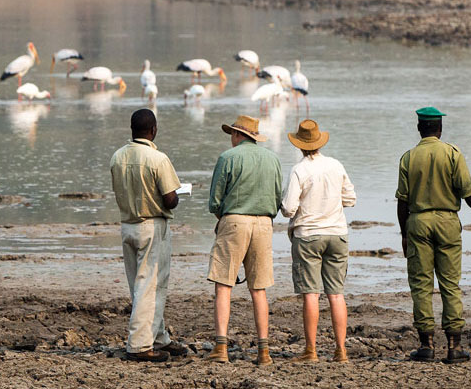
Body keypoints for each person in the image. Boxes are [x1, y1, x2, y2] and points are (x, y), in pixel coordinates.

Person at [395, 107, 471, 364]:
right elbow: (468, 193)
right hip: (448, 223)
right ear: (440, 129)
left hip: (417, 223)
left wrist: (404, 233)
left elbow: (402, 201)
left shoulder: (408, 158)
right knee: (450, 285)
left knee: (420, 285)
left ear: (420, 128)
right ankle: (454, 347)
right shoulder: (453, 154)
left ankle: (426, 346)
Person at [109, 109, 188, 362]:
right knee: (150, 285)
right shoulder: (158, 158)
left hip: (127, 225)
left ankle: (158, 337)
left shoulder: (117, 157)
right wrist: (177, 194)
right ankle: (140, 345)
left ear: (132, 129)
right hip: (152, 227)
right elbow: (169, 199)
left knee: (139, 285)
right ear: (153, 130)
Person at [206, 115, 283, 366]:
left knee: (223, 284)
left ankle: (221, 347)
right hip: (263, 223)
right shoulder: (273, 159)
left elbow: (215, 201)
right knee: (258, 289)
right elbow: (276, 198)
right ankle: (263, 351)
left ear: (239, 135)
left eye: (232, 134)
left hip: (234, 221)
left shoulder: (227, 158)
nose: (231, 138)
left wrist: (225, 215)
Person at [280, 119, 356, 364]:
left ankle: (311, 351)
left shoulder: (299, 170)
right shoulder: (335, 165)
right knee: (336, 294)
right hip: (337, 233)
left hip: (308, 236)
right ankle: (341, 350)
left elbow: (289, 209)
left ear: (300, 145)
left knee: (311, 295)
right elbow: (351, 198)